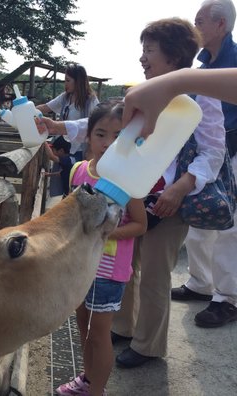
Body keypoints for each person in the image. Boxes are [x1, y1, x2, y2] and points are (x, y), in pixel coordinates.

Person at [38, 17, 227, 369]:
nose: (142, 58)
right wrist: (57, 126)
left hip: (170, 200)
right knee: (124, 264)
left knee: (155, 274)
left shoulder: (200, 97)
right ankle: (122, 326)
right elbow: (109, 125)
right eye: (143, 50)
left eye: (149, 50)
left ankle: (148, 345)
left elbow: (213, 152)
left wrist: (180, 188)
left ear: (173, 57)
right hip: (131, 193)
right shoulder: (146, 89)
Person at [55, 100, 147, 396]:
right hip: (81, 266)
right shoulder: (79, 171)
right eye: (101, 134)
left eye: (118, 136)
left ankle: (97, 391)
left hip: (109, 271)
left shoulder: (127, 178)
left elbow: (141, 225)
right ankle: (88, 380)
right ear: (89, 136)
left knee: (99, 334)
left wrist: (106, 233)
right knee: (83, 327)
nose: (109, 143)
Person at [170, 0, 237, 328]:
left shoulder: (234, 62)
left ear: (221, 25)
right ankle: (200, 282)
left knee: (230, 226)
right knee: (200, 216)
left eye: (200, 21)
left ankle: (227, 298)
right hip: (207, 153)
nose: (194, 26)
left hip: (234, 151)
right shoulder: (202, 68)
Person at [36, 63, 99, 160]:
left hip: (80, 149)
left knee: (75, 174)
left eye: (68, 80)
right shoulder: (65, 97)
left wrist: (90, 152)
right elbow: (46, 107)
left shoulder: (90, 100)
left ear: (78, 81)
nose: (65, 83)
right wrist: (28, 110)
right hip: (63, 148)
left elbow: (97, 123)